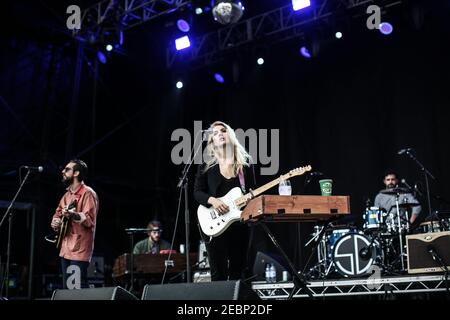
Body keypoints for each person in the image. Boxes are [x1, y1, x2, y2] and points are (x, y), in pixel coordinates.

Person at [194, 121, 256, 281]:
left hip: (240, 224)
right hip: (215, 224)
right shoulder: (206, 165)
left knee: (238, 271)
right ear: (212, 141)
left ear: (231, 135)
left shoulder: (245, 165)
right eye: (215, 133)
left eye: (223, 130)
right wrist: (213, 201)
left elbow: (252, 193)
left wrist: (251, 198)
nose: (220, 134)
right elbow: (197, 193)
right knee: (218, 274)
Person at [50, 159, 99, 289]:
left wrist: (73, 215)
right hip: (65, 248)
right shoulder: (67, 195)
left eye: (67, 169)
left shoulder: (88, 193)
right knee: (68, 288)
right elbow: (58, 213)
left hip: (79, 249)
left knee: (75, 288)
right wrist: (55, 221)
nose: (63, 171)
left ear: (76, 173)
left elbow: (89, 221)